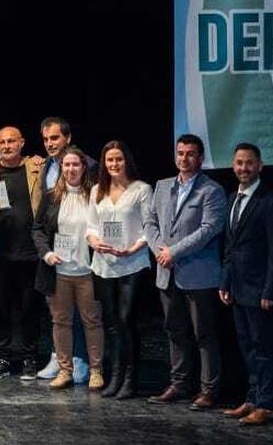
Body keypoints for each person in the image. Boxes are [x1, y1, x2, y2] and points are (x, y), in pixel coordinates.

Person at [144, 134, 227, 410]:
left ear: (200, 158)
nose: (184, 158)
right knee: (175, 331)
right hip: (166, 272)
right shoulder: (162, 186)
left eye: (190, 154)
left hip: (198, 274)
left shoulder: (211, 190)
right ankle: (180, 384)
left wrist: (173, 252)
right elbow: (150, 222)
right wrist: (159, 251)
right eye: (180, 153)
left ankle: (209, 390)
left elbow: (209, 230)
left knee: (204, 333)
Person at [218, 143, 273, 426]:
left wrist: (270, 291)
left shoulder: (271, 201)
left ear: (259, 166)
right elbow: (229, 247)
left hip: (259, 291)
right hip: (237, 288)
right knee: (247, 347)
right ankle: (252, 398)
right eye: (238, 163)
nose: (243, 168)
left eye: (249, 163)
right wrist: (225, 282)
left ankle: (267, 404)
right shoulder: (231, 198)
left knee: (265, 348)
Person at [0, 126, 45, 380]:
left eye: (11, 141)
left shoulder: (38, 169)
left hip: (31, 253)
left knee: (29, 309)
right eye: (1, 142)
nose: (6, 146)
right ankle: (2, 357)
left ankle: (29, 358)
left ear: (22, 142)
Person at [31, 146, 104, 390]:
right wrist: (47, 253)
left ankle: (95, 371)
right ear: (61, 169)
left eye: (76, 165)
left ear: (84, 168)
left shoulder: (96, 196)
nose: (71, 169)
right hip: (58, 272)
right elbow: (38, 230)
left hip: (88, 272)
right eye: (66, 165)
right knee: (60, 322)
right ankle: (65, 370)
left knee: (91, 322)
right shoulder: (52, 196)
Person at [86, 140, 151, 400]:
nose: (114, 164)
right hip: (103, 265)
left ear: (127, 161)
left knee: (126, 320)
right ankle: (114, 376)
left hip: (132, 263)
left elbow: (150, 226)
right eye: (110, 160)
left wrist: (134, 247)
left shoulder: (142, 190)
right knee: (111, 323)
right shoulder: (96, 191)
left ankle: (130, 378)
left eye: (119, 159)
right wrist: (94, 242)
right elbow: (90, 227)